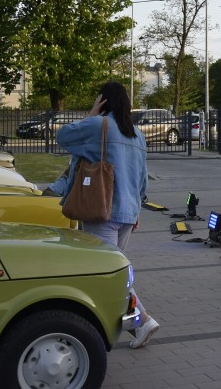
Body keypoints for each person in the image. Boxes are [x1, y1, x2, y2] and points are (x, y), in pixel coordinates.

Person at [56, 81, 159, 349]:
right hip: (128, 213)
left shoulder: (98, 125)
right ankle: (136, 325)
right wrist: (136, 211)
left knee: (111, 276)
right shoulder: (137, 134)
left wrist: (91, 114)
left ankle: (142, 320)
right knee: (114, 272)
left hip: (102, 212)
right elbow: (141, 179)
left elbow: (63, 136)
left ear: (103, 101)